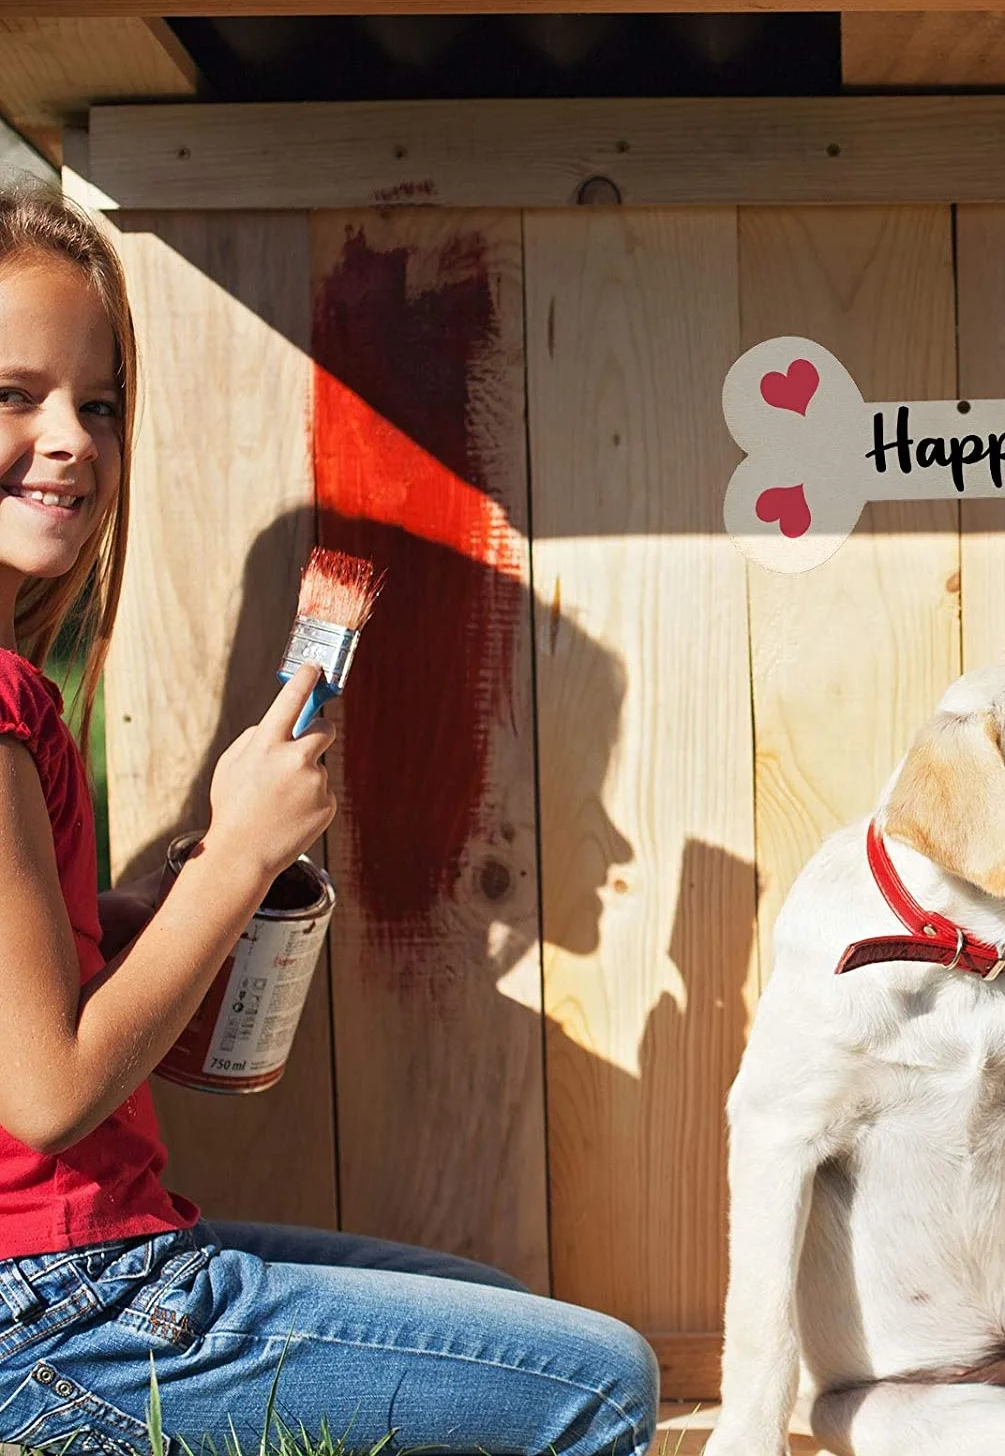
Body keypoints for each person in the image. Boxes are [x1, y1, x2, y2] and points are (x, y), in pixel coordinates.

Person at [0, 183, 658, 1456]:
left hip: (81, 1277)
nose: (72, 438)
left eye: (100, 402)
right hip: (68, 1314)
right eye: (12, 396)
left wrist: (129, 921)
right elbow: (45, 1092)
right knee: (607, 1384)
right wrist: (237, 857)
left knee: (506, 1322)